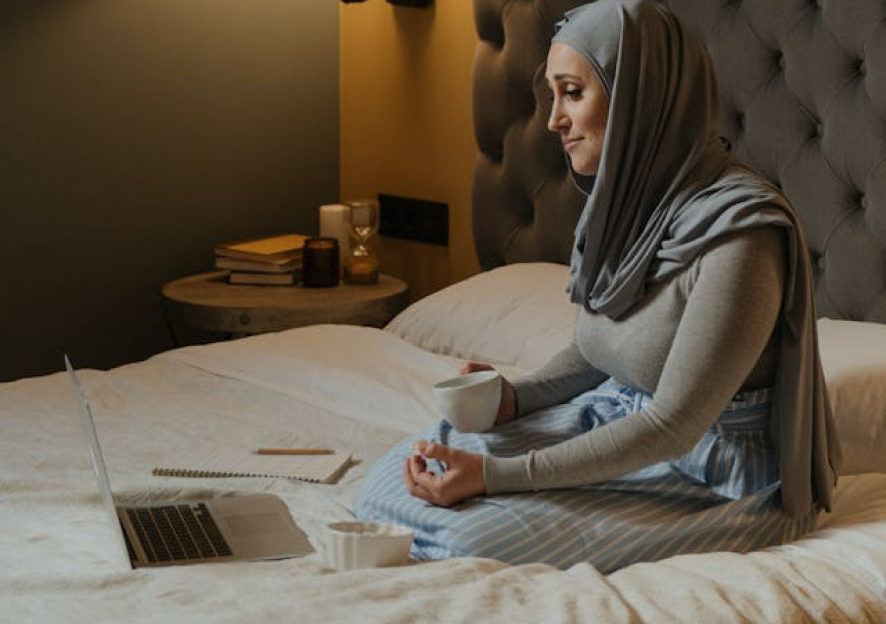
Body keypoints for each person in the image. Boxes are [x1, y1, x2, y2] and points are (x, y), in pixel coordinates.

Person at [355, 0, 840, 572]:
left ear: (640, 97)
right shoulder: (625, 200)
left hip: (708, 472)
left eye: (573, 92)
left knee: (465, 543)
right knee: (391, 483)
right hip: (615, 419)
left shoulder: (741, 238)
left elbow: (673, 426)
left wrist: (496, 477)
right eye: (552, 94)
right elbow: (596, 347)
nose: (553, 119)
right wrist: (516, 397)